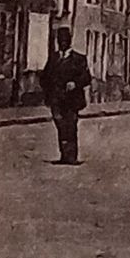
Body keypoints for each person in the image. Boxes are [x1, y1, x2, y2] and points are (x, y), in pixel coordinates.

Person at [39, 27, 92, 165]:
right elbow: (44, 77)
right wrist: (49, 89)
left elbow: (86, 77)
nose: (62, 43)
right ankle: (64, 154)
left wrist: (75, 83)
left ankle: (71, 156)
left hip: (72, 100)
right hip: (56, 99)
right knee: (60, 124)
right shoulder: (53, 58)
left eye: (65, 40)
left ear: (69, 40)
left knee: (71, 125)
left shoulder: (79, 59)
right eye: (60, 40)